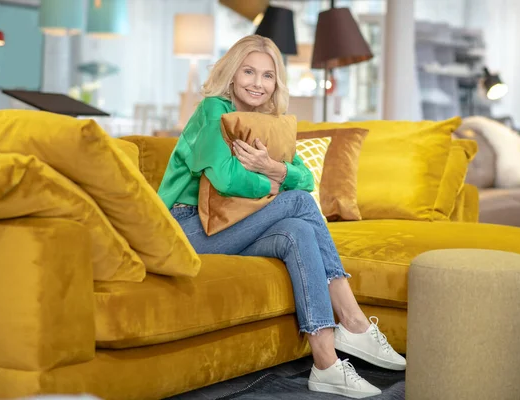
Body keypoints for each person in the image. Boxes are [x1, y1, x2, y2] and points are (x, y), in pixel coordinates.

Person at [158, 34, 406, 398]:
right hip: (185, 227)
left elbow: (304, 177)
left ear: (276, 83)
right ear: (231, 73)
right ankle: (353, 321)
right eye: (248, 71)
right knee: (299, 206)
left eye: (267, 76)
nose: (257, 83)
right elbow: (225, 177)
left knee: (297, 232)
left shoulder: (267, 122)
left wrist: (270, 165)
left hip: (230, 226)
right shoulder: (213, 110)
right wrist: (273, 183)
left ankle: (326, 365)